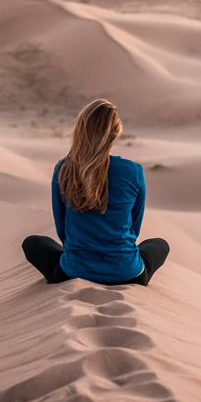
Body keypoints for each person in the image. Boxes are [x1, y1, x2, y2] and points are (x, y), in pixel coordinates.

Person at [22, 98, 170, 286]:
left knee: (33, 243)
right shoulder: (134, 171)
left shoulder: (64, 169)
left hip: (73, 271)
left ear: (79, 130)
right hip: (127, 272)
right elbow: (134, 228)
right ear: (116, 133)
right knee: (159, 244)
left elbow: (62, 230)